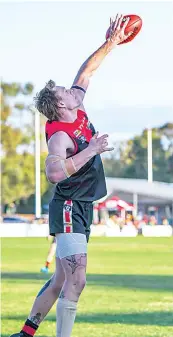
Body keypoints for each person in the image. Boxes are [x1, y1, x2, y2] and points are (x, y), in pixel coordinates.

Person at [10, 14, 132, 337]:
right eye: (65, 92)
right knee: (77, 279)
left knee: (62, 280)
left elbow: (87, 71)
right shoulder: (59, 137)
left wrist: (111, 43)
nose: (71, 89)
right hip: (67, 205)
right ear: (59, 107)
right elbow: (52, 172)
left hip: (83, 203)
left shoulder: (75, 102)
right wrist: (91, 150)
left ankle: (25, 333)